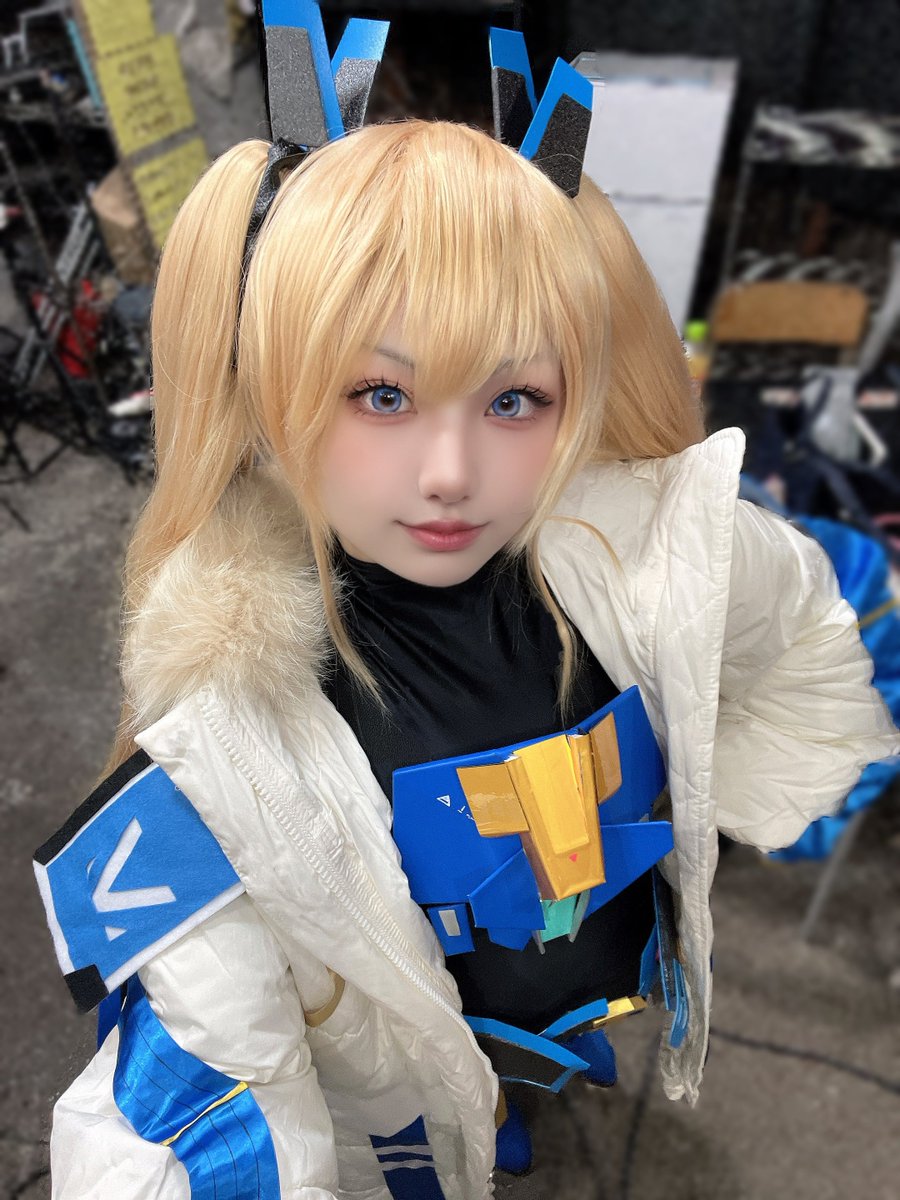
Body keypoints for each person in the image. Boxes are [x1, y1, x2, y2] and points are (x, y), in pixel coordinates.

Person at [35, 46, 897, 1200]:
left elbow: (820, 602)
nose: (451, 472)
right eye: (380, 394)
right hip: (390, 1103)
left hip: (576, 1010)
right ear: (264, 384)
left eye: (514, 398)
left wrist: (749, 778)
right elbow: (195, 1092)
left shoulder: (649, 557)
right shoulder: (229, 736)